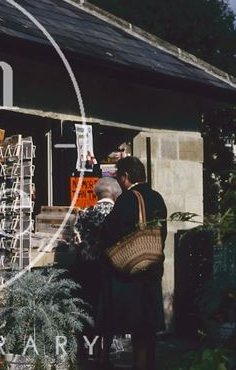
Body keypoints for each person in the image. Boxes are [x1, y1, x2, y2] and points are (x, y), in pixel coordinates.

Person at [100, 156, 167, 370]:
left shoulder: (127, 199)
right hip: (153, 269)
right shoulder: (157, 197)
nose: (119, 182)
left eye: (119, 177)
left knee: (134, 324)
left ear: (126, 176)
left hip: (131, 274)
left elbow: (110, 231)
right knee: (148, 328)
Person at [72, 177, 122, 362]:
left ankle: (85, 351)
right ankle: (105, 354)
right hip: (110, 268)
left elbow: (76, 241)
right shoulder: (117, 214)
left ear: (97, 194)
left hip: (86, 268)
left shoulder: (84, 212)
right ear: (116, 194)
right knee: (108, 310)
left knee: (87, 309)